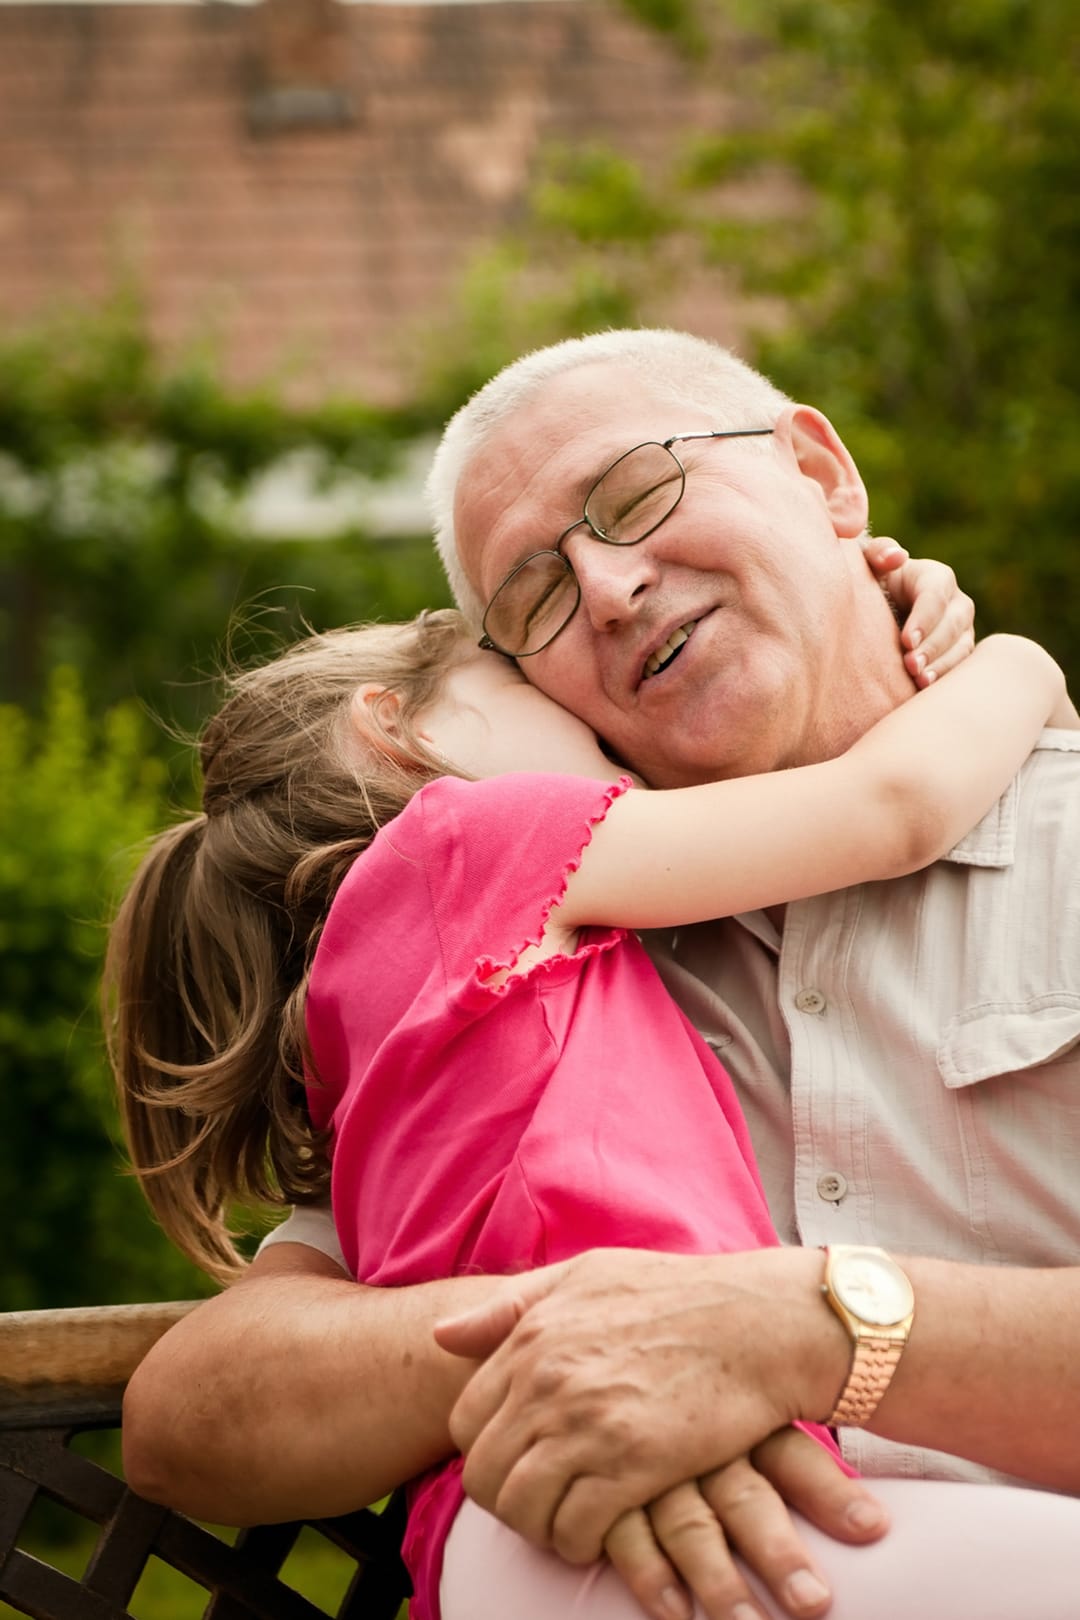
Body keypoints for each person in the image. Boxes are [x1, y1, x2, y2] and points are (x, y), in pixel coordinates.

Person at [117, 330, 1080, 1620]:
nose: (612, 589)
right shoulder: (551, 955)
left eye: (637, 493)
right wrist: (605, 1330)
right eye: (535, 601)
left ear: (821, 476)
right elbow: (196, 1409)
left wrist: (804, 1323)